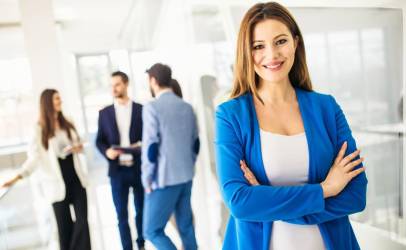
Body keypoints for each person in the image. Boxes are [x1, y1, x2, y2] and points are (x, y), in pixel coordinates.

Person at [214, 2, 368, 250]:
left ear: (295, 42)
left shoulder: (326, 108)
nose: (272, 55)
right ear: (246, 52)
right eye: (258, 46)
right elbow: (240, 202)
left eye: (281, 41)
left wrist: (268, 202)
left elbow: (355, 195)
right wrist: (325, 189)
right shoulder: (230, 115)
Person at [2, 89, 91, 250]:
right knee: (65, 229)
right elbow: (34, 158)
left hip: (76, 178)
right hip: (56, 183)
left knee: (82, 222)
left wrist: (78, 148)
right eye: (57, 99)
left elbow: (79, 143)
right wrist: (17, 176)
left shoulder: (68, 122)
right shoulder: (38, 129)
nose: (60, 101)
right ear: (47, 102)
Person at [142, 63, 199, 250]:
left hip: (164, 179)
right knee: (186, 227)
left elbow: (151, 148)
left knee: (151, 230)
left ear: (153, 81)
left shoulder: (152, 108)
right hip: (186, 175)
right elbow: (195, 145)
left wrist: (147, 178)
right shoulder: (187, 107)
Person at [95, 71, 144, 250]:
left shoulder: (141, 109)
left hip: (138, 168)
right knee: (121, 215)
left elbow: (148, 137)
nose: (113, 89)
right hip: (117, 171)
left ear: (126, 84)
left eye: (117, 84)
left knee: (141, 211)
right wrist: (106, 151)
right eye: (111, 85)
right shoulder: (104, 113)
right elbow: (99, 140)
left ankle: (141, 245)